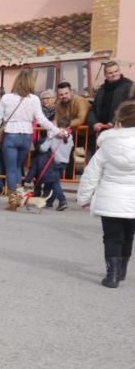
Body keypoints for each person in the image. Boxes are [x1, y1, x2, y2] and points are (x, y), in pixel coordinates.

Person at [76, 100, 135, 288]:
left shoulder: (107, 144)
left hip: (111, 200)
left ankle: (112, 274)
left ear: (119, 121)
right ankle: (122, 270)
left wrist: (83, 198)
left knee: (111, 237)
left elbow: (91, 174)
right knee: (128, 236)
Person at [0, 68, 62, 208]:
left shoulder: (6, 98)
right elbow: (41, 119)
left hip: (11, 134)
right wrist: (56, 130)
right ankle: (20, 196)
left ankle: (13, 200)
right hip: (26, 136)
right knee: (18, 167)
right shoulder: (35, 99)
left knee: (11, 169)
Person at [88, 61, 134, 142]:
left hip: (123, 132)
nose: (114, 74)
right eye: (110, 73)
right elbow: (93, 109)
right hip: (102, 132)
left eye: (116, 71)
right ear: (105, 75)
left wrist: (114, 122)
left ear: (119, 71)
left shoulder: (129, 86)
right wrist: (94, 123)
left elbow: (129, 109)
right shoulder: (101, 90)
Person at [36, 117, 73, 211]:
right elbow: (71, 145)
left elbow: (43, 148)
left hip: (54, 162)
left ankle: (62, 200)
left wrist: (42, 145)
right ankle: (49, 201)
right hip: (64, 162)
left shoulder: (52, 136)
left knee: (54, 182)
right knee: (53, 181)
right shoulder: (70, 136)